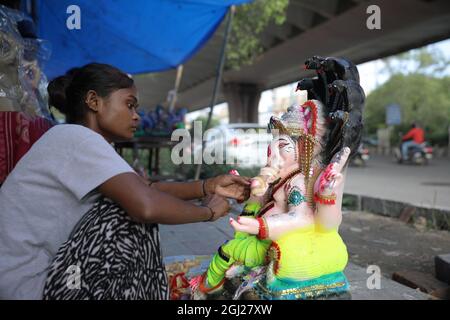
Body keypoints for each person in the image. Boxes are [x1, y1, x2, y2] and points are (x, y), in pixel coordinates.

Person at [0, 63, 250, 300]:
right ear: (93, 101)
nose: (136, 117)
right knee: (133, 213)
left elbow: (144, 188)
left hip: (24, 277)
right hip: (27, 284)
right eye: (129, 105)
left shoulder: (75, 138)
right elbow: (147, 205)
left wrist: (208, 186)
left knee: (129, 200)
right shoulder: (77, 138)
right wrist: (207, 212)